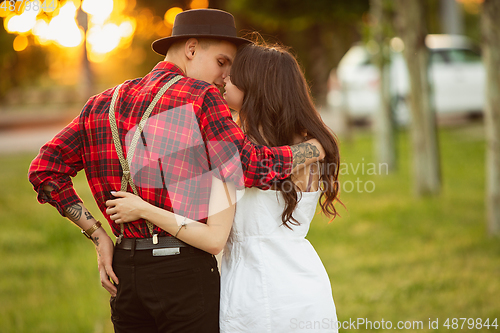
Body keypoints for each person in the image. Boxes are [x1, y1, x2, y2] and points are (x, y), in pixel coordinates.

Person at [28, 8, 324, 333]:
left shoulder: (101, 103)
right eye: (222, 63)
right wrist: (313, 148)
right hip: (183, 271)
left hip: (125, 269)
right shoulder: (201, 97)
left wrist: (99, 237)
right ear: (192, 48)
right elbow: (246, 167)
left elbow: (45, 171)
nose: (225, 77)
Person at [106, 42, 341, 332]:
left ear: (257, 84)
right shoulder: (305, 145)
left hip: (256, 291)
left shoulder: (232, 156)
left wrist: (144, 209)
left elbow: (212, 238)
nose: (224, 78)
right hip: (302, 286)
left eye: (235, 72)